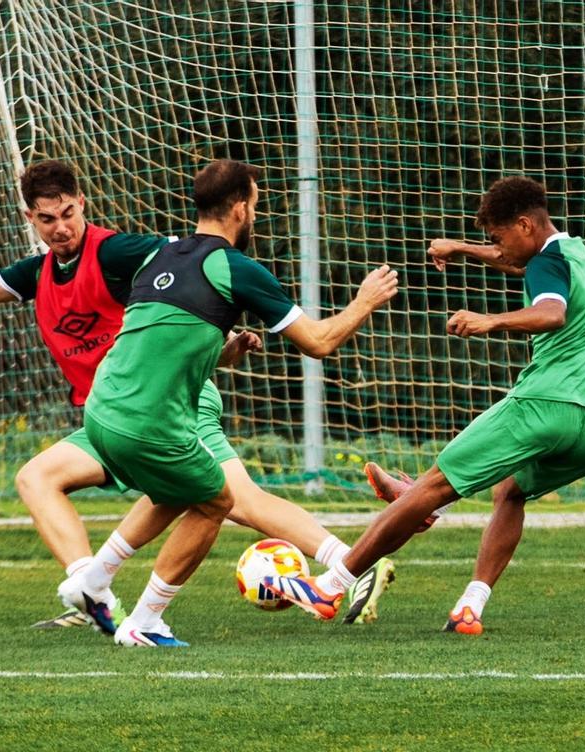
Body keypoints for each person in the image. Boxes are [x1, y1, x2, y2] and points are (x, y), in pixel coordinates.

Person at [0, 160, 396, 631]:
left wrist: (218, 347)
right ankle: (96, 594)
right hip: (113, 411)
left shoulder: (122, 252)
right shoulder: (39, 272)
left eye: (67, 213)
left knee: (228, 499)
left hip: (168, 402)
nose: (60, 227)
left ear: (82, 203)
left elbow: (186, 293)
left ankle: (345, 565)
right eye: (47, 219)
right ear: (31, 218)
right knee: (40, 477)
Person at [264, 176, 585, 634]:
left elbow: (552, 312)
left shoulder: (545, 267)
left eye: (497, 237)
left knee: (433, 485)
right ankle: (470, 606)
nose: (496, 247)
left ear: (524, 225)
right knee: (509, 491)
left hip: (546, 406)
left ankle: (332, 584)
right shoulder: (577, 255)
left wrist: (490, 321)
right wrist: (464, 248)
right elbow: (517, 260)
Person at [67, 158, 398, 646]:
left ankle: (93, 582)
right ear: (241, 208)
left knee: (178, 489)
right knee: (217, 500)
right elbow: (319, 342)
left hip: (99, 413)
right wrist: (365, 301)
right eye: (257, 205)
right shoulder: (235, 268)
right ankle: (144, 622)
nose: (256, 215)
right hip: (147, 424)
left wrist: (225, 352)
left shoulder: (158, 255)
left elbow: (164, 339)